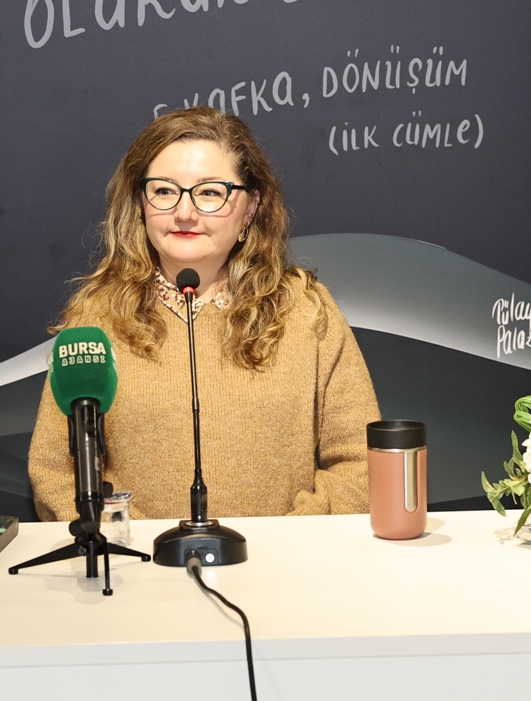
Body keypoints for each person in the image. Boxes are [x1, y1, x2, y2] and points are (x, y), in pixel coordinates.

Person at [29, 108, 380, 522]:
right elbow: (55, 473)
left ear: (251, 208)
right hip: (140, 562)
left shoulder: (305, 310)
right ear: (140, 203)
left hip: (285, 560)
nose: (185, 213)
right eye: (164, 191)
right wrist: (140, 543)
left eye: (210, 192)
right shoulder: (96, 318)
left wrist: (285, 541)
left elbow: (362, 463)